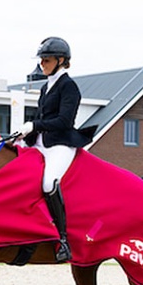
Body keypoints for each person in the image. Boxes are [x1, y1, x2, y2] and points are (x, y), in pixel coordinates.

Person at [16, 37, 93, 262]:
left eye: (46, 60)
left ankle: (63, 240)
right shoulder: (45, 87)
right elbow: (39, 118)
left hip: (60, 144)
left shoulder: (69, 87)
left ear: (61, 60)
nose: (42, 64)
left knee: (49, 183)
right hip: (40, 143)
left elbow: (63, 121)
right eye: (41, 60)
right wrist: (23, 135)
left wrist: (35, 125)